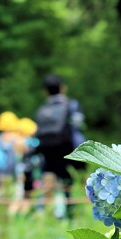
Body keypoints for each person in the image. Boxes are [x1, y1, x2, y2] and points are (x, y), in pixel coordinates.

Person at [35, 74, 85, 220]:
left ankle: (49, 214)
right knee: (72, 183)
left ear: (45, 91)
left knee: (50, 183)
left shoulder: (42, 109)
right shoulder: (71, 104)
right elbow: (78, 124)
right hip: (68, 150)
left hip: (48, 152)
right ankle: (74, 213)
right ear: (63, 88)